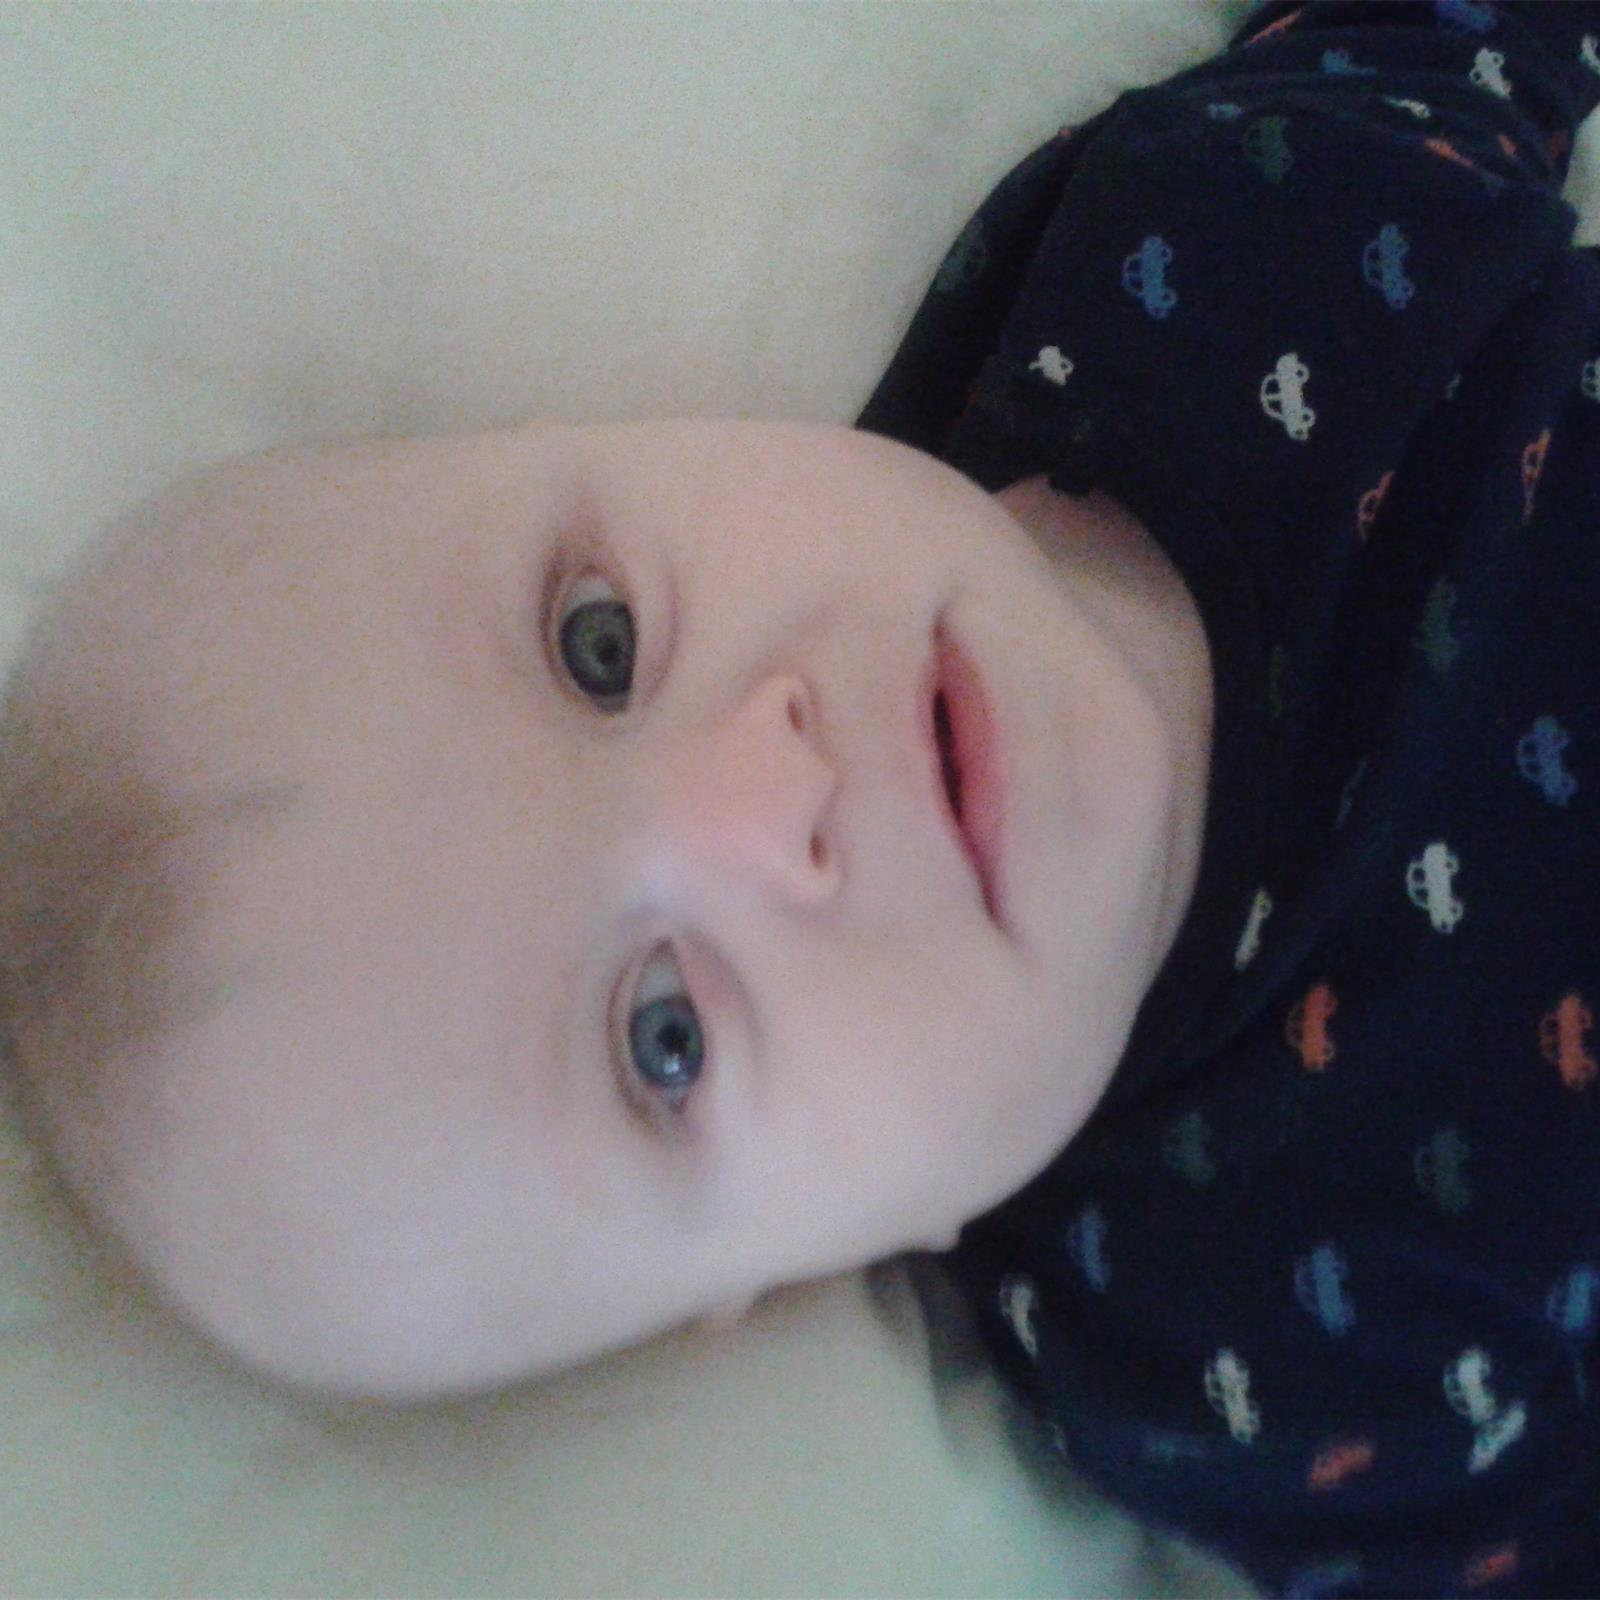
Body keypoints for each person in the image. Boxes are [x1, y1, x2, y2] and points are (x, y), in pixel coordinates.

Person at [1, 0, 1596, 1591]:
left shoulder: (1196, 246)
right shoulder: (1226, 1359)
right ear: (763, 1284)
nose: (767, 790)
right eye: (663, 1040)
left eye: (600, 645)